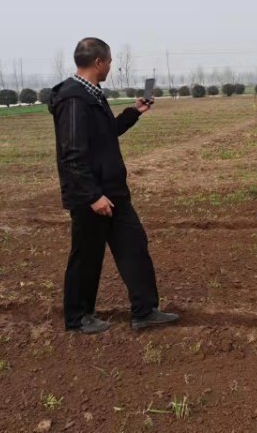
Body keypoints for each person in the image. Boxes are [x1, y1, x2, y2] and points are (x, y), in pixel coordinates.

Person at [49, 37, 179, 335]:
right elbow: (71, 154)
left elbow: (106, 134)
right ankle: (78, 317)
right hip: (91, 196)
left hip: (113, 191)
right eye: (109, 61)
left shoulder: (92, 94)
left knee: (134, 247)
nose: (111, 66)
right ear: (98, 62)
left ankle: (145, 311)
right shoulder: (73, 98)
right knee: (86, 258)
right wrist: (93, 196)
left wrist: (134, 112)